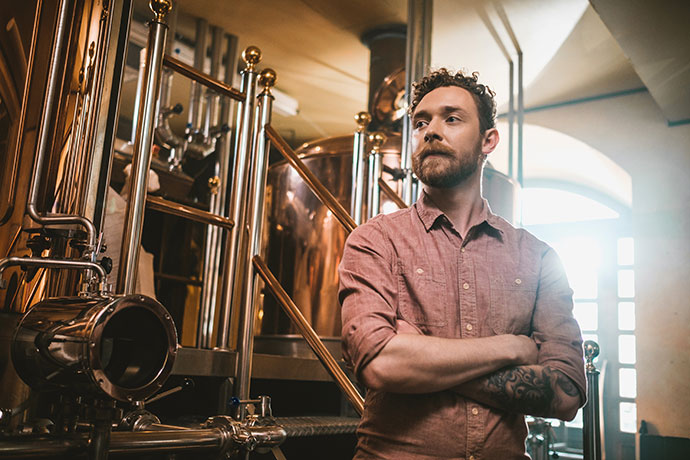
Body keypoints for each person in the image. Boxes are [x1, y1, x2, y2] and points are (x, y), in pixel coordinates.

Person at [338, 69, 586, 460]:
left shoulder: (539, 258)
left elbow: (565, 394)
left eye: (451, 118)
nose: (431, 131)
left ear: (488, 140)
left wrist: (419, 354)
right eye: (421, 122)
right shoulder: (374, 240)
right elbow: (381, 364)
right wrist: (512, 347)